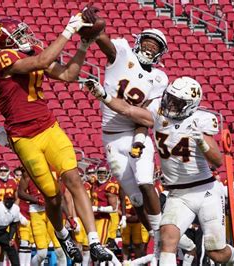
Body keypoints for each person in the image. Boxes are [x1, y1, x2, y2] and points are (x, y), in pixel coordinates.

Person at [0, 13, 111, 262]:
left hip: (48, 126)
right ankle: (63, 235)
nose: (25, 37)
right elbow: (44, 60)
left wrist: (84, 45)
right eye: (18, 34)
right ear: (6, 42)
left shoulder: (30, 51)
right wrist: (68, 30)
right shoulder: (4, 57)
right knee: (52, 196)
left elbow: (68, 75)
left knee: (74, 178)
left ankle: (94, 241)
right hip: (24, 137)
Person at [85, 76, 234, 265]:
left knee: (215, 252)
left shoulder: (200, 120)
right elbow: (127, 109)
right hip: (178, 194)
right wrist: (104, 95)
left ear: (191, 105)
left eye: (178, 102)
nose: (171, 104)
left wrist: (200, 140)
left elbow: (217, 161)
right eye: (170, 98)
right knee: (167, 240)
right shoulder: (158, 112)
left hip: (205, 191)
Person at [87, 6, 168, 261]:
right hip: (111, 137)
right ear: (137, 41)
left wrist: (139, 136)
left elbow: (148, 118)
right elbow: (103, 41)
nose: (150, 47)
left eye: (156, 46)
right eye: (147, 41)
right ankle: (157, 238)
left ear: (161, 53)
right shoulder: (121, 51)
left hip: (136, 135)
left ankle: (162, 236)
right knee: (135, 198)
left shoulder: (159, 78)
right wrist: (93, 24)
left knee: (145, 182)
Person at [17, 168, 67, 265]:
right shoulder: (28, 171)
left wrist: (69, 216)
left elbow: (61, 196)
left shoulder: (54, 169)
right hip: (36, 211)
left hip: (53, 210)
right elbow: (21, 193)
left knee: (60, 250)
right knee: (42, 253)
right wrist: (36, 200)